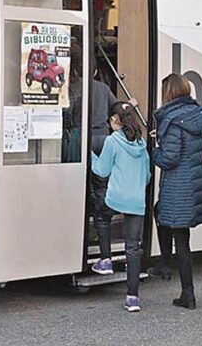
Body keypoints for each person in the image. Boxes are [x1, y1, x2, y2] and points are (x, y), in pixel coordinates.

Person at [148, 74, 202, 310]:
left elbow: (169, 158)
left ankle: (188, 294)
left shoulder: (173, 119)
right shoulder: (195, 114)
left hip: (180, 184)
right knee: (163, 216)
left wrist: (153, 149)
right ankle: (166, 265)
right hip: (195, 179)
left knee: (181, 238)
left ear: (169, 93)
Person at [90, 102, 151, 312]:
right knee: (133, 248)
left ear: (115, 120)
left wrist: (89, 155)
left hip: (115, 198)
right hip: (136, 200)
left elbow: (101, 171)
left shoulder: (112, 141)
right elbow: (148, 175)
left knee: (101, 217)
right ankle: (132, 298)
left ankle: (106, 259)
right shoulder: (141, 143)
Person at [88, 61, 120, 276]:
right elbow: (116, 107)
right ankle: (101, 213)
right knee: (101, 186)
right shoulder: (103, 88)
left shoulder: (75, 89)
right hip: (103, 137)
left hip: (85, 139)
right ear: (97, 71)